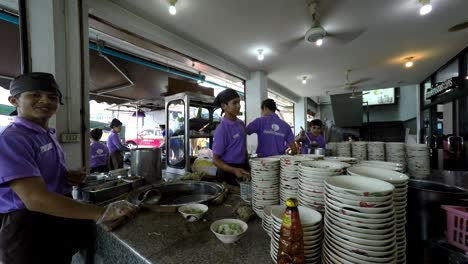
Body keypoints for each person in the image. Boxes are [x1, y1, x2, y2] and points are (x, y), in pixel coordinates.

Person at [0, 72, 137, 263]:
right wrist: (102, 212)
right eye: (35, 94)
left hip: (55, 218)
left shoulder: (43, 133)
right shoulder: (11, 138)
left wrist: (65, 175)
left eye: (53, 97)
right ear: (14, 100)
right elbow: (35, 199)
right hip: (28, 228)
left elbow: (38, 174)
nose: (45, 100)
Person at [212, 89, 249, 185]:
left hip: (242, 168)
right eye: (234, 103)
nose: (238, 106)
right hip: (228, 172)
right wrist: (234, 170)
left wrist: (248, 164)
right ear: (224, 106)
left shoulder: (240, 124)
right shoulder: (222, 129)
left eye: (239, 102)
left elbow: (243, 147)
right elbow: (215, 160)